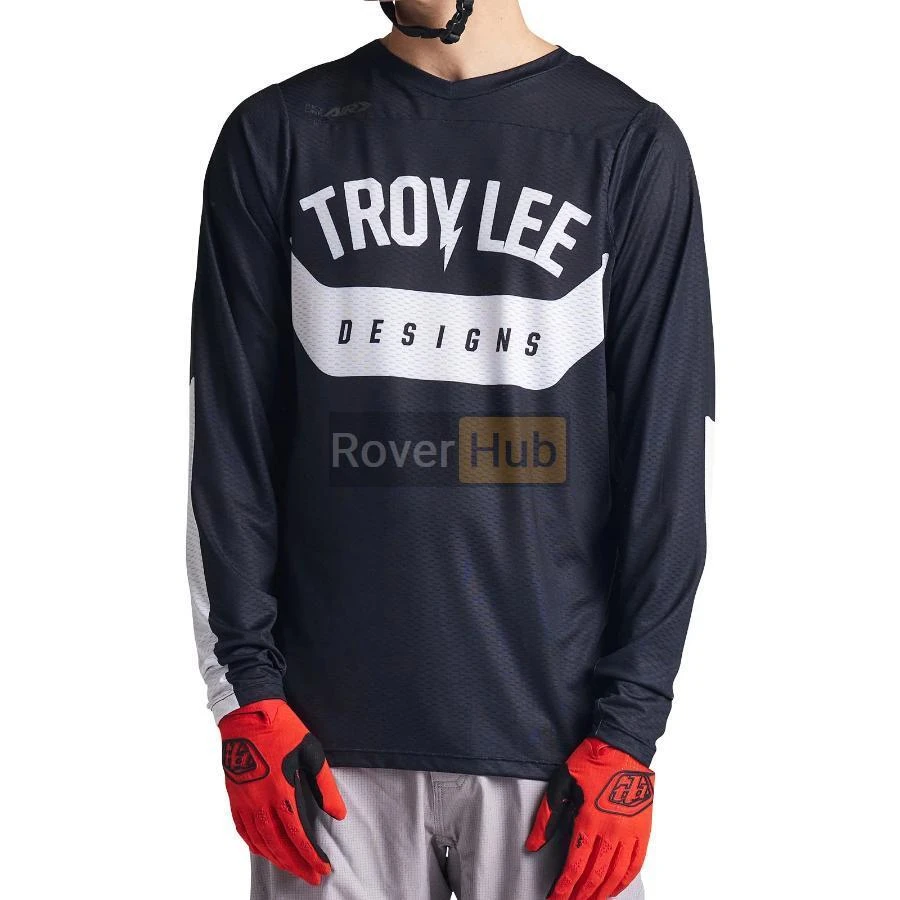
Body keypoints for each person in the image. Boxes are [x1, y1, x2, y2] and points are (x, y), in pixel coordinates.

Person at [186, 1, 715, 897]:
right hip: (320, 749)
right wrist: (245, 698)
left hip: (557, 748)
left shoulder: (625, 145)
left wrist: (630, 730)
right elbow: (228, 442)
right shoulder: (279, 135)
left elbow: (667, 460)